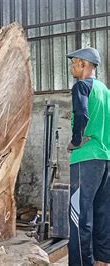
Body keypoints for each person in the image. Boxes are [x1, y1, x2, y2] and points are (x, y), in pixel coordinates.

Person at [66, 47, 110, 266]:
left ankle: (81, 262)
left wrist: (75, 141)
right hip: (105, 157)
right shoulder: (105, 91)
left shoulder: (81, 86)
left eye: (74, 63)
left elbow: (81, 113)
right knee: (102, 211)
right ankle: (103, 259)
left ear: (84, 64)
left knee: (79, 215)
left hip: (86, 158)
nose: (72, 67)